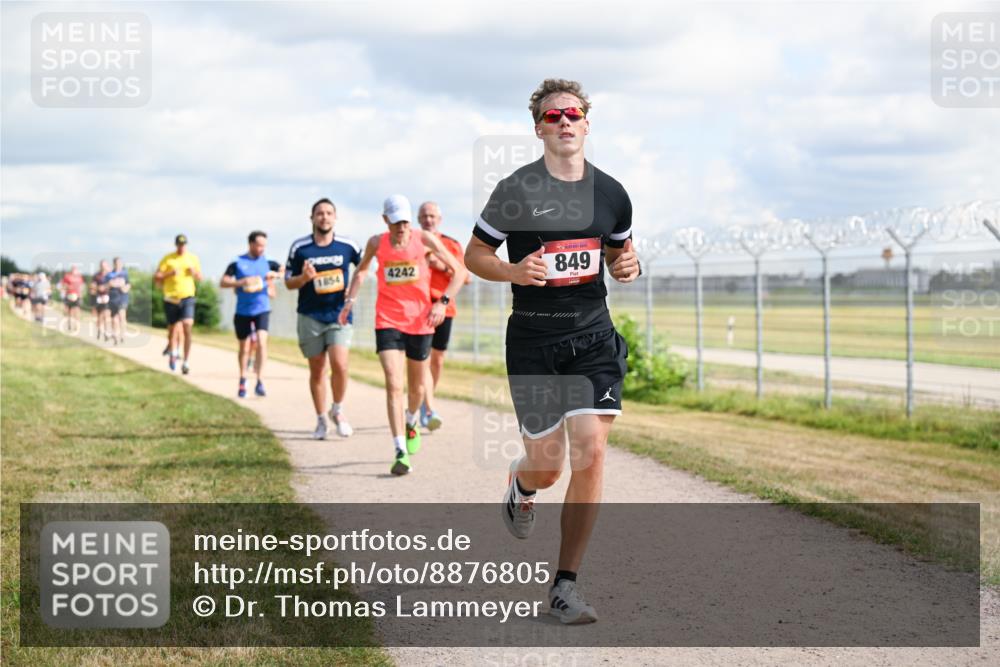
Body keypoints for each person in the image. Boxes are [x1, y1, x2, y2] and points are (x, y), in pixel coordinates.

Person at [464, 79, 640, 624]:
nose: (563, 122)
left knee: (591, 449)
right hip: (535, 341)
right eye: (552, 115)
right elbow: (474, 254)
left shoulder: (612, 194)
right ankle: (522, 483)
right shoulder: (515, 189)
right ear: (538, 127)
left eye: (573, 114)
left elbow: (619, 253)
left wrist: (628, 266)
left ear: (588, 123)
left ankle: (565, 585)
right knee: (548, 466)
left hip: (592, 339)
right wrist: (513, 271)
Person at [339, 195, 467, 476]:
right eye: (396, 222)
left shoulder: (424, 240)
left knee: (417, 389)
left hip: (420, 321)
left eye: (405, 222)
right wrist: (349, 302)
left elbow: (460, 271)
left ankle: (411, 420)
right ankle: (399, 449)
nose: (401, 228)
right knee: (393, 383)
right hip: (387, 319)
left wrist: (442, 303)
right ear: (386, 220)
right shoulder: (377, 243)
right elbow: (360, 273)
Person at [285, 199, 360, 439]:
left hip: (339, 314)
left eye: (328, 213)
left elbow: (365, 268)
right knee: (317, 370)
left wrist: (353, 294)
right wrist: (304, 278)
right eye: (319, 213)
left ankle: (337, 409)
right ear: (312, 218)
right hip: (310, 315)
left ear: (335, 218)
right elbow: (288, 282)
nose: (324, 217)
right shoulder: (300, 248)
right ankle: (320, 420)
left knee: (340, 364)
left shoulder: (348, 246)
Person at [416, 201, 470, 429]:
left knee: (437, 361)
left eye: (432, 216)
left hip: (444, 307)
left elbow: (466, 277)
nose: (428, 219)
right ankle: (428, 407)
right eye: (424, 216)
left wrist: (440, 265)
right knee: (423, 359)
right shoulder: (413, 242)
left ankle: (425, 401)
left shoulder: (451, 244)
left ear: (439, 218)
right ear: (418, 219)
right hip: (419, 308)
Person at [221, 231, 282, 398]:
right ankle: (242, 379)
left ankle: (260, 381)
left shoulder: (269, 262)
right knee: (244, 347)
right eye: (259, 245)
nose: (262, 248)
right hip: (243, 311)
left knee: (262, 343)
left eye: (264, 245)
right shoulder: (238, 262)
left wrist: (275, 275)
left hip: (262, 308)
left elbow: (286, 271)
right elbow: (223, 282)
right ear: (251, 244)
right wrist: (240, 282)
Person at [155, 234, 202, 374]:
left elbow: (200, 277)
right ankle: (173, 351)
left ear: (186, 244)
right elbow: (157, 276)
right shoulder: (168, 258)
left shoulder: (193, 258)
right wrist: (169, 273)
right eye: (179, 244)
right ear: (176, 245)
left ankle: (186, 362)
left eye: (184, 244)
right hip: (171, 297)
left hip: (187, 297)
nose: (181, 247)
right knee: (172, 328)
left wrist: (194, 272)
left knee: (187, 324)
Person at [106, 257, 131, 345]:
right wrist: (110, 285)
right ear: (114, 264)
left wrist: (125, 288)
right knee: (114, 318)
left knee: (122, 316)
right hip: (113, 298)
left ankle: (122, 335)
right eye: (117, 263)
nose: (118, 265)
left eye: (120, 263)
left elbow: (128, 284)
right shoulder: (109, 274)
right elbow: (106, 286)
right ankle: (115, 334)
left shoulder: (125, 274)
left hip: (122, 297)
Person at [59, 265, 85, 333]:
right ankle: (69, 323)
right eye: (73, 269)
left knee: (77, 310)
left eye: (75, 269)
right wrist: (68, 287)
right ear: (71, 270)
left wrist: (81, 294)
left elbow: (81, 286)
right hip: (69, 295)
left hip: (77, 296)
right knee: (68, 311)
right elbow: (63, 285)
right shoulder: (67, 276)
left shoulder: (79, 277)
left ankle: (77, 325)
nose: (74, 270)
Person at [90, 261, 111, 340]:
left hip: (108, 297)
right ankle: (99, 330)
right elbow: (92, 286)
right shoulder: (96, 276)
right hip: (99, 298)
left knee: (106, 315)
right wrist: (97, 288)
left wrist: (105, 287)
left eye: (105, 265)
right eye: (102, 265)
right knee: (100, 316)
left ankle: (106, 333)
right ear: (100, 266)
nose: (103, 267)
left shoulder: (110, 275)